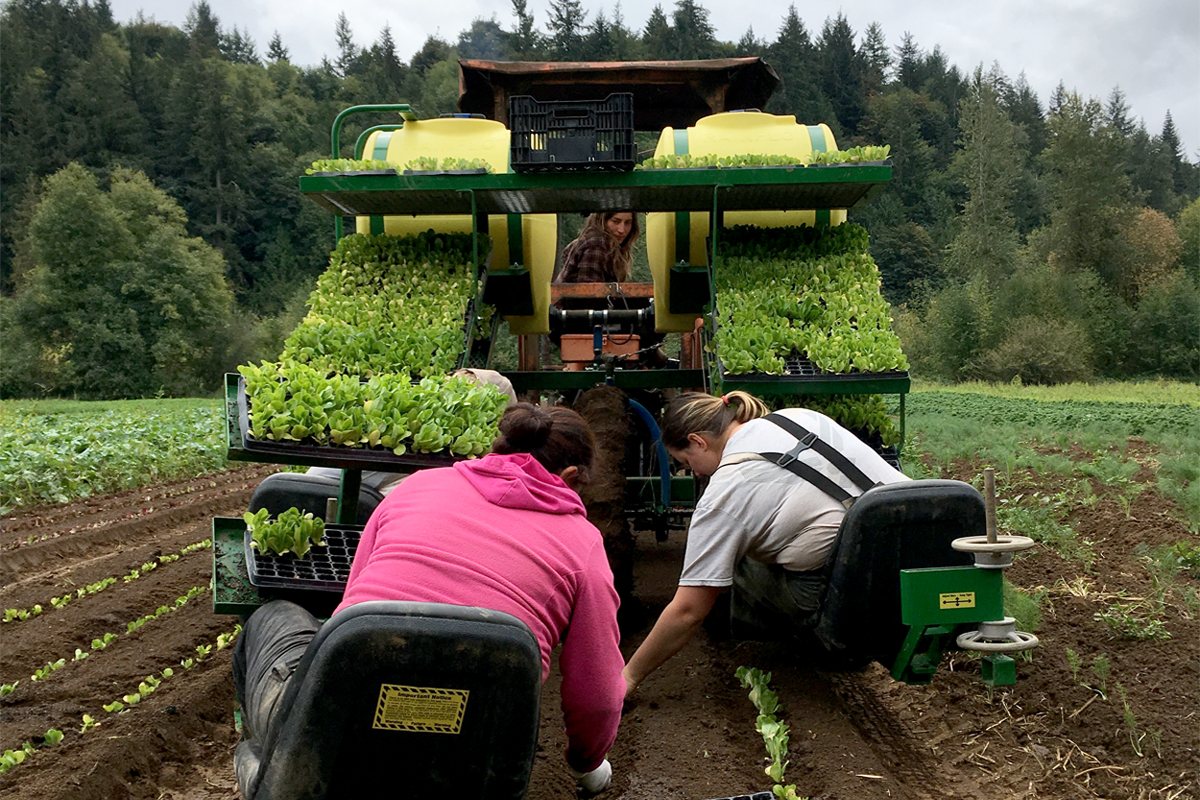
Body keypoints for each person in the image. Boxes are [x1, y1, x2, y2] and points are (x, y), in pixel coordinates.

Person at [233, 403, 623, 796]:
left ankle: (276, 763)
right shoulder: (583, 543)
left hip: (342, 712)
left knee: (272, 617)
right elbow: (598, 695)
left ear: (495, 451)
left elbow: (351, 610)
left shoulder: (418, 486)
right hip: (479, 749)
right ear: (571, 477)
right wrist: (585, 761)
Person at [621, 390, 910, 697]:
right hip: (909, 549)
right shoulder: (796, 417)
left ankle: (814, 644)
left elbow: (687, 611)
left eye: (686, 460)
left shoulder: (725, 491)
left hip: (851, 592)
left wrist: (629, 675)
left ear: (699, 441)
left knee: (733, 565)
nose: (693, 471)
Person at [555, 211, 639, 284]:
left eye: (628, 223)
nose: (622, 230)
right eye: (615, 221)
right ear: (602, 221)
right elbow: (590, 294)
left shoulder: (593, 242)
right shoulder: (595, 245)